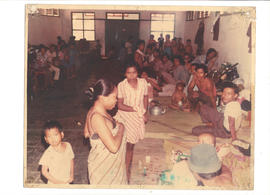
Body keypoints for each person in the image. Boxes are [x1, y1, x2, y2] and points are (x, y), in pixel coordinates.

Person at [84, 78, 127, 185]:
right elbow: (113, 147)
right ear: (103, 98)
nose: (116, 100)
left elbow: (86, 133)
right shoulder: (97, 117)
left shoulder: (94, 110)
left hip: (110, 167)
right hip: (104, 170)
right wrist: (120, 128)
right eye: (114, 97)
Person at [116, 64, 148, 183]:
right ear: (125, 74)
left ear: (137, 73)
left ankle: (127, 162)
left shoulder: (143, 83)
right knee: (129, 143)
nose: (131, 75)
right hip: (126, 114)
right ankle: (126, 168)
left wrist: (145, 112)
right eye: (128, 73)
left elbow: (145, 97)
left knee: (132, 142)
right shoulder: (121, 85)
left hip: (138, 114)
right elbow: (120, 105)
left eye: (134, 72)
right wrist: (135, 109)